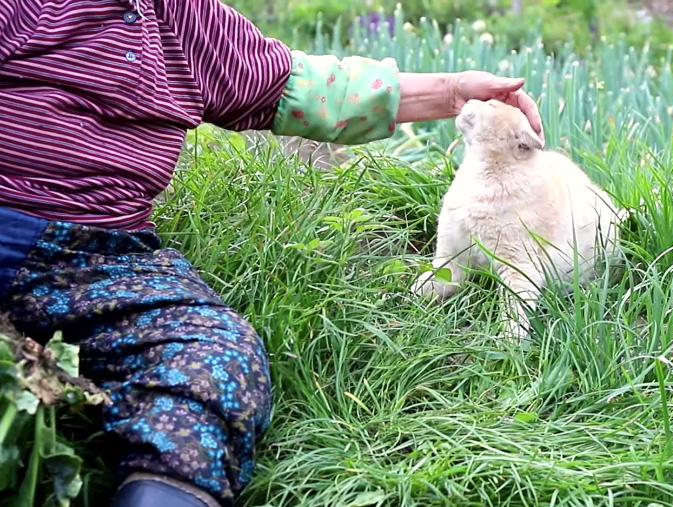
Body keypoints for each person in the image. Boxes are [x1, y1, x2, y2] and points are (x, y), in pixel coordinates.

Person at [0, 0, 545, 506]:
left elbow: (295, 87)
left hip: (101, 258)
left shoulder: (174, 16)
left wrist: (454, 91)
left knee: (214, 361)